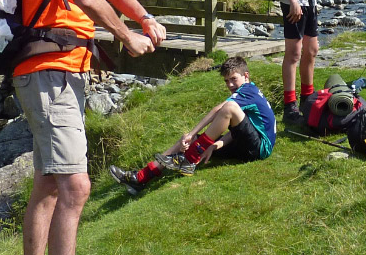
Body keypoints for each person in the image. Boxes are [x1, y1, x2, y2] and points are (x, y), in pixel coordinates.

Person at [13, 0, 166, 255]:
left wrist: (145, 17)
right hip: (49, 72)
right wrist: (126, 35)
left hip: (62, 72)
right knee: (76, 186)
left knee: (49, 183)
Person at [109, 56, 276, 195]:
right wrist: (214, 145)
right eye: (226, 81)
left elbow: (219, 110)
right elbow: (238, 131)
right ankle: (141, 177)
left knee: (228, 108)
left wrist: (191, 133)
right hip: (247, 145)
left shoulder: (248, 90)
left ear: (246, 76)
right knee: (197, 140)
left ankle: (190, 159)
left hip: (260, 148)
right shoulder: (246, 94)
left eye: (234, 79)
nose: (230, 85)